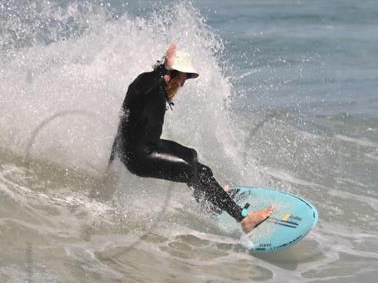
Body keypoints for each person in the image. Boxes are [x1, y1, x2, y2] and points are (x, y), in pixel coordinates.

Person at [108, 41, 273, 233]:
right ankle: (244, 219)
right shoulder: (146, 83)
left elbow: (122, 126)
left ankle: (208, 201)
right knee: (192, 171)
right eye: (183, 77)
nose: (183, 83)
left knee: (193, 158)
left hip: (149, 146)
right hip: (139, 156)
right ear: (172, 72)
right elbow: (140, 87)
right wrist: (165, 69)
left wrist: (110, 162)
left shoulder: (159, 89)